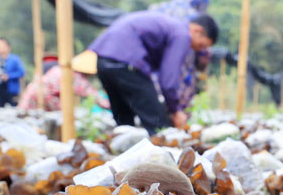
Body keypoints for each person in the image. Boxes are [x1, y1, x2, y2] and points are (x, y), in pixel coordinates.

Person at [89, 12, 218, 134]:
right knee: (157, 122)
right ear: (197, 31)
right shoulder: (182, 35)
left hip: (103, 58)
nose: (197, 49)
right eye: (201, 45)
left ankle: (124, 153)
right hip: (127, 60)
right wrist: (175, 111)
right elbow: (168, 80)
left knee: (124, 120)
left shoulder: (172, 26)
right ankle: (162, 154)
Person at [18, 52, 110, 112]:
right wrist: (110, 105)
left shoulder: (61, 69)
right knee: (66, 114)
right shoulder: (74, 76)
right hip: (41, 97)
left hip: (34, 94)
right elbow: (92, 94)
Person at [0, 37, 25, 107]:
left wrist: (8, 76)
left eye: (1, 46)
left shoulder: (15, 59)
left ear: (8, 47)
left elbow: (22, 72)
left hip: (12, 91)